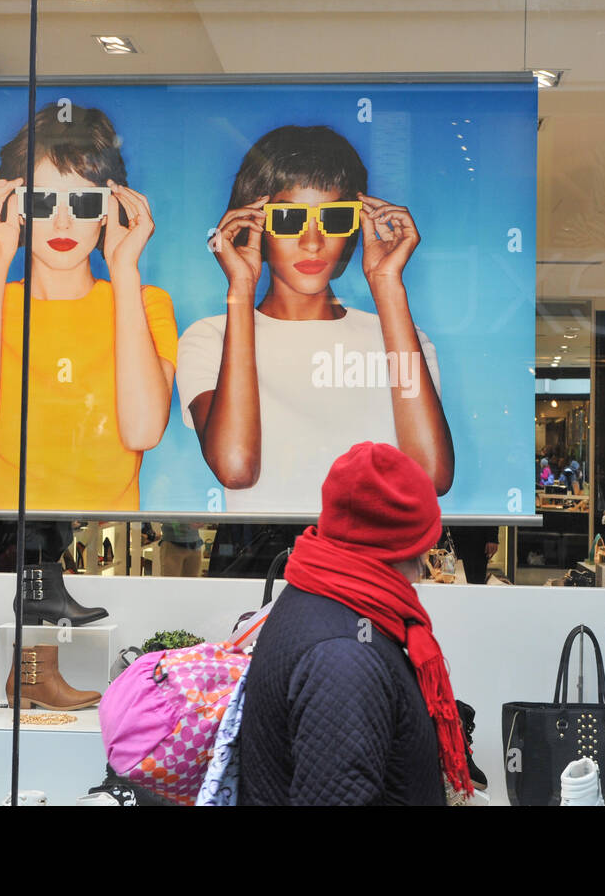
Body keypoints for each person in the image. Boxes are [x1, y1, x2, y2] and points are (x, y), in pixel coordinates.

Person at [176, 125, 453, 513]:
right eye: (289, 219)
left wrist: (388, 286)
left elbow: (430, 477)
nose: (312, 240)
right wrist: (240, 289)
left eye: (335, 219)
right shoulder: (210, 339)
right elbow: (235, 467)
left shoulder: (400, 337)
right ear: (254, 225)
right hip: (261, 566)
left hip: (367, 563)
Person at [0, 103, 177, 510]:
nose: (63, 223)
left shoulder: (144, 303)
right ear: (14, 206)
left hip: (108, 548)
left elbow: (143, 432)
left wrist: (124, 271)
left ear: (109, 210)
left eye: (85, 203)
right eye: (41, 202)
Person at [238, 441, 471, 805]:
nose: (425, 563)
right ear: (401, 547)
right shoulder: (343, 656)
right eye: (425, 540)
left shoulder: (320, 590)